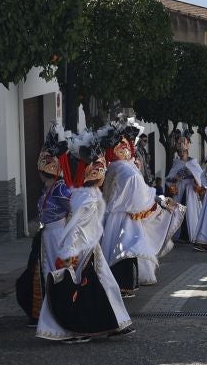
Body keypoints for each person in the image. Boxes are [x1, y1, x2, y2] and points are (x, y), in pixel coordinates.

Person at [35, 130, 135, 343]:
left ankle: (114, 321)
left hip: (78, 244)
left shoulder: (76, 194)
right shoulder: (78, 195)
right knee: (68, 284)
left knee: (97, 281)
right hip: (74, 245)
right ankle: (70, 327)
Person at [100, 122, 171, 291]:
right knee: (127, 248)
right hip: (126, 218)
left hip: (110, 217)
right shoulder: (128, 172)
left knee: (114, 248)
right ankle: (126, 283)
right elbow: (139, 197)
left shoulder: (113, 167)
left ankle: (120, 281)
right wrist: (158, 200)